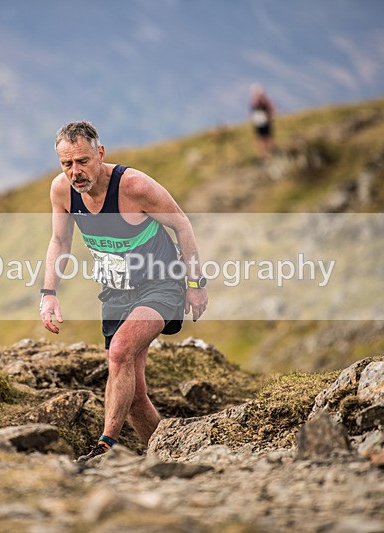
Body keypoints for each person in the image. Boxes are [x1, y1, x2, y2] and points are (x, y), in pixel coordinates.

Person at [40, 121, 208, 463]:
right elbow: (59, 241)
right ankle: (167, 458)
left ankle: (105, 447)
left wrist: (195, 284)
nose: (75, 172)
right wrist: (49, 293)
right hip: (116, 293)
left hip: (161, 284)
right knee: (133, 396)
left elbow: (181, 223)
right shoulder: (61, 190)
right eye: (67, 164)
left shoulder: (133, 186)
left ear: (100, 154)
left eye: (83, 161)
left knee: (119, 352)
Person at [249, 83, 276, 160]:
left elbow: (272, 110)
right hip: (259, 123)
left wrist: (269, 116)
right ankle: (263, 155)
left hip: (265, 122)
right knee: (261, 138)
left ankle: (267, 153)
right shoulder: (255, 102)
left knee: (266, 138)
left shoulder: (264, 102)